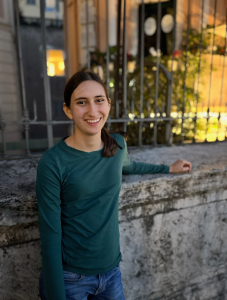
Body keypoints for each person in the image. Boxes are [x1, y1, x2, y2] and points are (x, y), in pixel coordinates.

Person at [36, 71, 191, 300]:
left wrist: (169, 168)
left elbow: (129, 166)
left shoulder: (117, 144)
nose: (92, 110)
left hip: (111, 273)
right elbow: (50, 237)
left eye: (99, 100)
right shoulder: (53, 162)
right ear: (68, 110)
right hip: (70, 279)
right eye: (81, 102)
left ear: (108, 104)